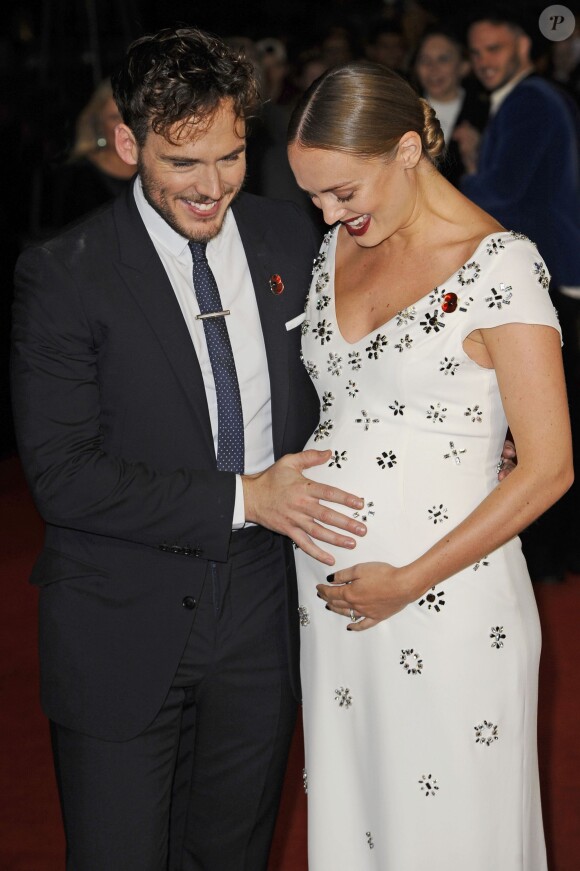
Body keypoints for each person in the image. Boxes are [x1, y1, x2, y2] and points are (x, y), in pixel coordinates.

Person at [10, 27, 369, 871]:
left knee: (232, 856)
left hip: (260, 614)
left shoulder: (293, 241)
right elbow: (62, 476)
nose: (213, 188)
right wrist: (248, 497)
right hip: (119, 614)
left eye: (232, 157)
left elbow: (353, 385)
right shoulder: (64, 272)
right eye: (184, 163)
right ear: (129, 142)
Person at [287, 60, 572, 869]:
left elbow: (549, 465)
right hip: (336, 611)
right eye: (314, 196)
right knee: (359, 827)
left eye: (343, 192)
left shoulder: (500, 265)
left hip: (446, 603)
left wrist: (408, 579)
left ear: (407, 149)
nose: (329, 213)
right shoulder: (332, 251)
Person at [455, 10, 580, 581]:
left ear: (523, 46)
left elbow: (499, 194)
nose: (485, 60)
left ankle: (555, 560)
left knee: (548, 433)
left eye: (496, 48)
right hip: (552, 278)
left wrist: (472, 161)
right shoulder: (527, 98)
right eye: (478, 51)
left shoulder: (529, 101)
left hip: (554, 282)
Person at [49, 78, 136, 228]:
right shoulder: (76, 176)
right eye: (114, 118)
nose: (124, 126)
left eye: (129, 116)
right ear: (98, 124)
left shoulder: (159, 170)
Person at [413, 26, 488, 186]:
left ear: (464, 66)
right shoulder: (405, 111)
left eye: (443, 59)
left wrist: (478, 154)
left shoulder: (485, 114)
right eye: (425, 60)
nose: (433, 68)